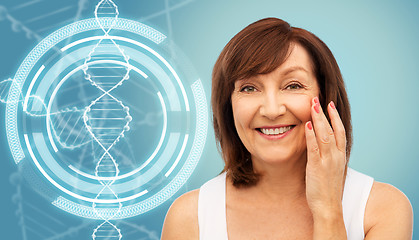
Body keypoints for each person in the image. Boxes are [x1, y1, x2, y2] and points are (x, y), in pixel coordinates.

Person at [161, 17, 413, 240]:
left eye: (293, 86)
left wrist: (328, 210)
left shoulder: (382, 209)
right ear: (229, 106)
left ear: (326, 98)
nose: (271, 110)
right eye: (249, 88)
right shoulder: (189, 218)